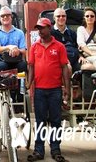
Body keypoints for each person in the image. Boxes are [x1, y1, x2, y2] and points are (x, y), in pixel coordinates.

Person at [27, 18, 70, 162]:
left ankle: (56, 150)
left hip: (55, 90)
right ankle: (39, 150)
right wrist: (29, 83)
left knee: (56, 121)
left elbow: (64, 67)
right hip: (39, 90)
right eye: (38, 28)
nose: (39, 31)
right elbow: (31, 66)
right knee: (40, 121)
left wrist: (67, 89)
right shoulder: (34, 47)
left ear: (49, 28)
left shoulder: (59, 47)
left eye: (42, 28)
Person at [0, 6, 27, 72]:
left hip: (17, 60)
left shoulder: (20, 32)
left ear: (11, 17)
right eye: (3, 16)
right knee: (2, 66)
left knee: (23, 65)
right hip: (2, 61)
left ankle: (21, 82)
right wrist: (10, 47)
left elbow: (24, 51)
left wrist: (16, 50)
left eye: (7, 15)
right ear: (0, 18)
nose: (5, 17)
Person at [51, 8, 80, 72]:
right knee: (67, 68)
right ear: (54, 18)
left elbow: (78, 47)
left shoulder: (72, 33)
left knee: (87, 67)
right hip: (57, 62)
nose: (61, 18)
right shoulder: (50, 33)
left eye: (63, 16)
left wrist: (81, 57)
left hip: (74, 61)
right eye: (58, 16)